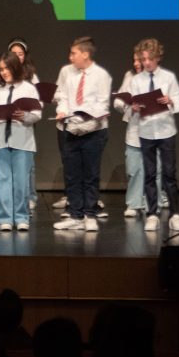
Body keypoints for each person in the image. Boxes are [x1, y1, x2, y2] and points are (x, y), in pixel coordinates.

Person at [52, 37, 111, 232]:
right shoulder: (70, 75)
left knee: (91, 174)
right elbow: (63, 98)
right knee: (73, 175)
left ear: (85, 54)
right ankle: (76, 215)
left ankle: (90, 214)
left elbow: (102, 103)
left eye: (74, 53)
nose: (71, 58)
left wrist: (88, 119)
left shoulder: (101, 75)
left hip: (93, 131)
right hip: (71, 130)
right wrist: (62, 111)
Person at [130, 38, 179, 233]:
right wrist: (135, 107)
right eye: (143, 59)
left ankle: (174, 214)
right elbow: (134, 106)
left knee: (170, 173)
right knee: (150, 174)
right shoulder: (136, 80)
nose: (146, 63)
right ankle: (152, 213)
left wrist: (170, 101)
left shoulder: (168, 77)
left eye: (149, 59)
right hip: (146, 131)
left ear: (157, 58)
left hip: (166, 130)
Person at [0, 51, 41, 231]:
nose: (4, 72)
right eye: (1, 69)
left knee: (21, 181)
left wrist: (24, 116)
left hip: (22, 140)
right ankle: (5, 219)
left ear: (15, 67)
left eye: (7, 68)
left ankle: (22, 217)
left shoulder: (28, 88)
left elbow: (37, 115)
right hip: (0, 140)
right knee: (2, 181)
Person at [113, 46, 146, 218]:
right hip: (134, 129)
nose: (136, 63)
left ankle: (150, 202)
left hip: (152, 129)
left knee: (153, 170)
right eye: (134, 59)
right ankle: (133, 203)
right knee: (133, 168)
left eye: (139, 59)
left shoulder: (156, 78)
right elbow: (119, 102)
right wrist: (125, 103)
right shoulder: (129, 76)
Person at [7, 37, 39, 210]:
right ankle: (8, 195)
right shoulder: (3, 74)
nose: (17, 57)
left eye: (20, 54)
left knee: (27, 162)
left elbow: (38, 101)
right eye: (14, 53)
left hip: (25, 121)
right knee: (8, 162)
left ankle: (30, 195)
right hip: (7, 122)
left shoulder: (31, 76)